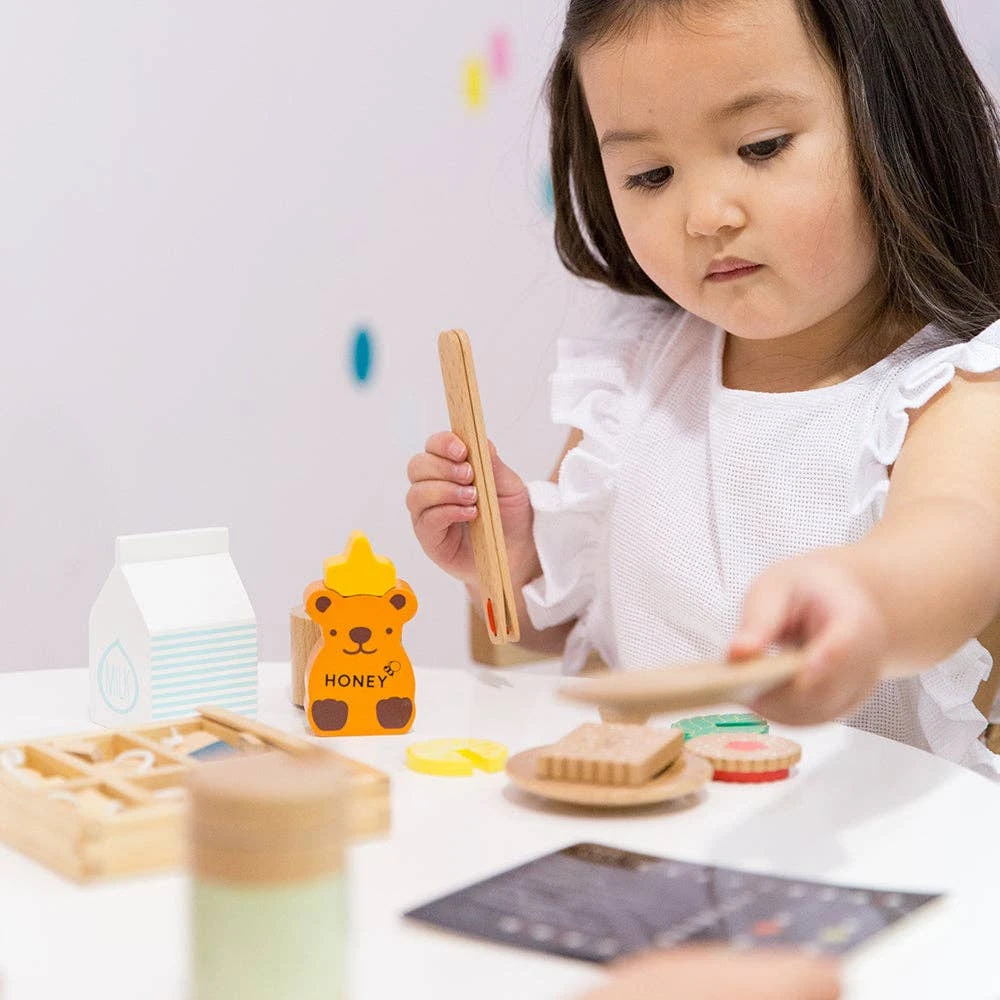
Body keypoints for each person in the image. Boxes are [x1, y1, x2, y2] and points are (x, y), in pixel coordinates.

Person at [406, 0, 1000, 777]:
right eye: (650, 175)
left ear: (897, 117)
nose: (705, 216)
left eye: (761, 146)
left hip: (866, 843)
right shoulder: (635, 379)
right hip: (660, 825)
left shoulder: (957, 386)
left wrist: (864, 603)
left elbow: (957, 553)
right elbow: (563, 631)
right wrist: (512, 561)